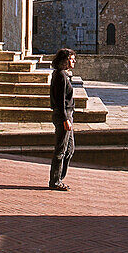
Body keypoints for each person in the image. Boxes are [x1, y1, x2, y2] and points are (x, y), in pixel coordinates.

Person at [49, 48, 76, 190]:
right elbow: (59, 100)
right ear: (64, 60)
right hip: (63, 115)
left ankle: (59, 178)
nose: (74, 61)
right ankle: (55, 181)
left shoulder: (62, 75)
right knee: (61, 150)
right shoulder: (60, 76)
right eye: (71, 59)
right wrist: (65, 118)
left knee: (70, 149)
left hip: (66, 115)